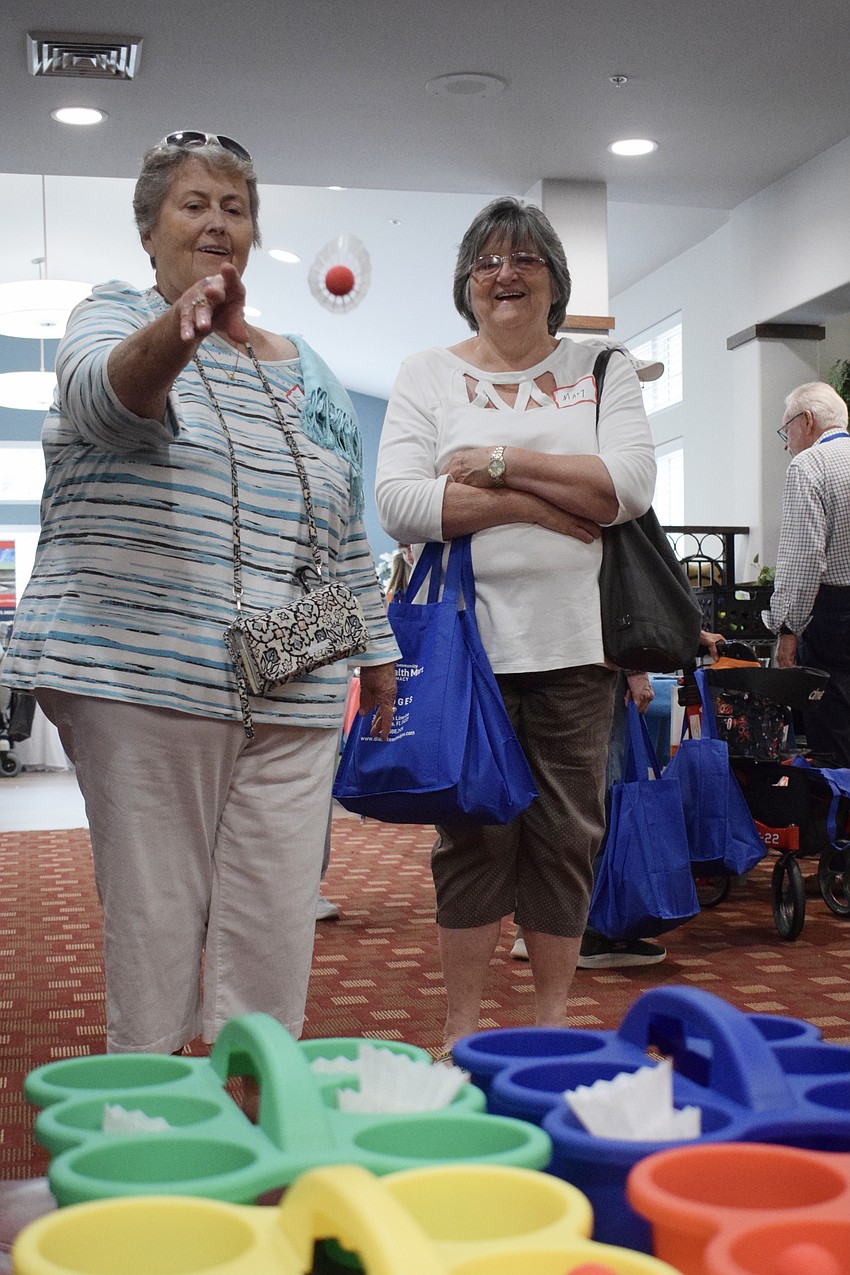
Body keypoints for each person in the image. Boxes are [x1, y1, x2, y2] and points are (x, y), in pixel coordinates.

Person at [1, 131, 399, 1053]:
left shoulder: (304, 365)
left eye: (235, 207)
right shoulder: (112, 315)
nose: (218, 221)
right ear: (150, 230)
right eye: (194, 204)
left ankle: (258, 1116)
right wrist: (178, 326)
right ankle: (155, 1136)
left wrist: (374, 650)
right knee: (158, 915)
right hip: (145, 668)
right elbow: (106, 401)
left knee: (276, 919)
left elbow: (340, 516)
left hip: (294, 676)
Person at [375, 196, 656, 1051]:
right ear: (467, 283)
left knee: (567, 835)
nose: (506, 273)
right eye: (488, 261)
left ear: (556, 280)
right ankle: (461, 1029)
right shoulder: (428, 373)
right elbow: (399, 503)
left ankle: (551, 1024)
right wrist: (542, 502)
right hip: (468, 654)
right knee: (473, 837)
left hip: (578, 647)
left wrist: (499, 469)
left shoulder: (603, 364)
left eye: (526, 259)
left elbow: (626, 490)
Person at [764, 382, 850, 766]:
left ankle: (840, 823)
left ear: (809, 420)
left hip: (834, 619)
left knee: (835, 735)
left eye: (787, 430)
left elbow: (803, 562)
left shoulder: (810, 465)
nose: (787, 443)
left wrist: (787, 631)